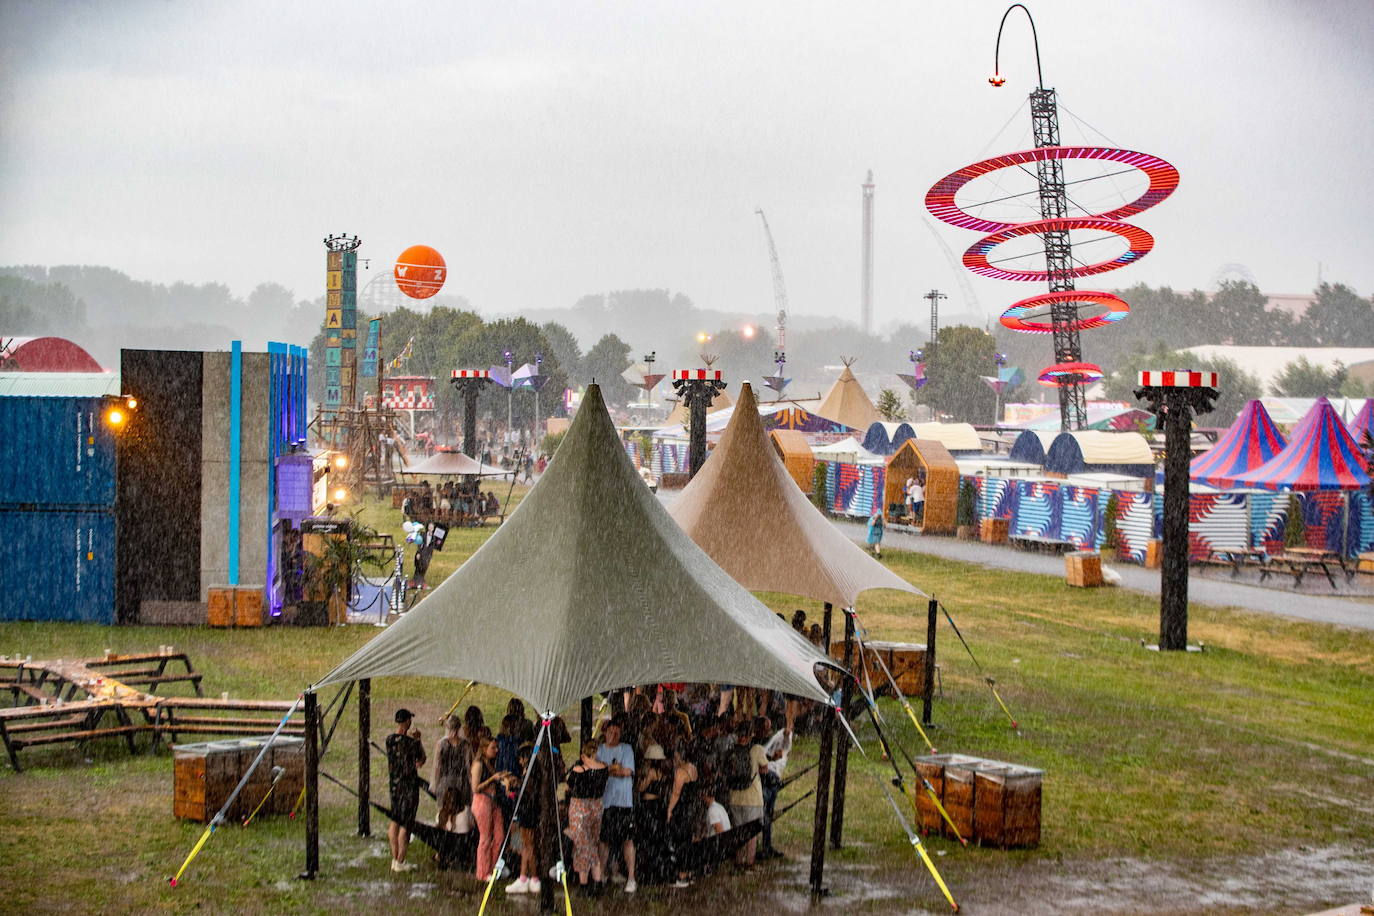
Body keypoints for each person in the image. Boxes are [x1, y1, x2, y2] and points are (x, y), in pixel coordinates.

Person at [596, 720, 637, 894]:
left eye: (617, 732)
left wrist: (609, 770)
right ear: (605, 733)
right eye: (611, 732)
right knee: (604, 840)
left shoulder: (626, 749)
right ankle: (601, 874)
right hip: (605, 802)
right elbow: (597, 770)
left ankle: (631, 878)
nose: (613, 735)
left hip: (623, 802)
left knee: (627, 840)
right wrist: (613, 769)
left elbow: (627, 771)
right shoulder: (599, 750)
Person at [385, 709, 427, 873]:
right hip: (409, 786)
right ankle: (400, 860)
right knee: (406, 824)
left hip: (395, 785)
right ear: (407, 721)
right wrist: (418, 741)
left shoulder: (389, 740)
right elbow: (421, 760)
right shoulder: (411, 743)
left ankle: (394, 857)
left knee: (395, 819)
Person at [724, 719, 768, 867]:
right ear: (751, 734)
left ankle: (739, 860)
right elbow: (765, 769)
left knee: (738, 831)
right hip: (752, 798)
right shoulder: (757, 749)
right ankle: (749, 863)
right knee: (751, 833)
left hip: (734, 797)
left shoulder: (731, 750)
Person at [470, 735, 510, 881]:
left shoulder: (491, 763)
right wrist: (492, 779)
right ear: (484, 748)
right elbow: (475, 788)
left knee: (499, 836)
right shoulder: (478, 764)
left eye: (496, 747)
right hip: (482, 801)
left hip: (494, 801)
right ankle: (482, 872)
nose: (496, 750)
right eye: (493, 748)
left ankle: (492, 867)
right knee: (485, 838)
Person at [506, 743, 542, 895]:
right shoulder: (535, 772)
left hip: (527, 813)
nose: (519, 762)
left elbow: (525, 795)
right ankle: (525, 877)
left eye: (520, 759)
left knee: (528, 846)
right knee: (527, 846)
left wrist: (510, 790)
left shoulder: (530, 773)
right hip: (531, 812)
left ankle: (532, 878)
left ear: (525, 758)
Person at [666, 740, 703, 887]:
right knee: (688, 841)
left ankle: (681, 876)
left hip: (681, 810)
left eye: (675, 755)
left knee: (680, 842)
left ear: (680, 755)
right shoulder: (694, 768)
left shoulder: (680, 772)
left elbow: (676, 793)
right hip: (692, 809)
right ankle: (689, 873)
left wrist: (669, 809)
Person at [636, 744, 673, 883]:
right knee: (658, 837)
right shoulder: (664, 772)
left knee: (647, 837)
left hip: (649, 806)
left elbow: (641, 788)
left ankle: (648, 870)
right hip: (659, 805)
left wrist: (640, 778)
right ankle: (659, 869)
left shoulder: (651, 772)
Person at [433, 714, 472, 836]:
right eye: (452, 729)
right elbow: (437, 767)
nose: (454, 733)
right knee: (449, 811)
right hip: (450, 783)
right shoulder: (444, 744)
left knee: (455, 810)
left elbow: (468, 766)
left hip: (458, 783)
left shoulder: (464, 745)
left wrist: (436, 784)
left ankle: (454, 832)